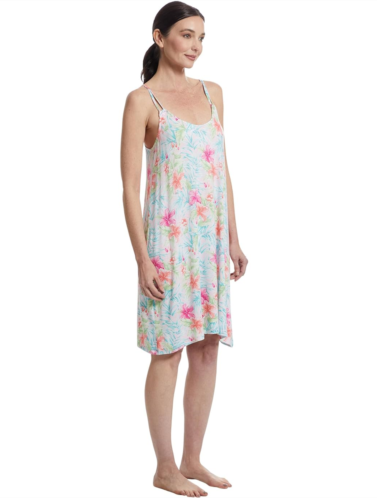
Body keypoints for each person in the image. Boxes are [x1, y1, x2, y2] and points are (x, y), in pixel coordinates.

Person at [121, 2, 248, 496]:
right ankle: (165, 467)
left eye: (201, 37)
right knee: (167, 352)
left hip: (209, 243)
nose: (195, 46)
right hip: (168, 247)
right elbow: (129, 188)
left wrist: (233, 237)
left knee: (208, 349)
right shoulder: (141, 101)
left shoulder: (214, 93)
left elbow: (222, 169)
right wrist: (142, 258)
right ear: (160, 37)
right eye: (186, 35)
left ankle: (193, 459)